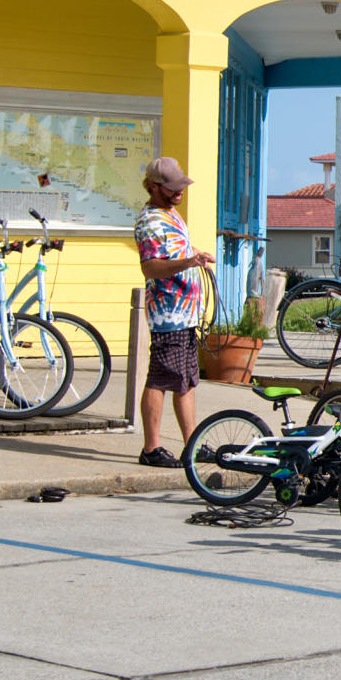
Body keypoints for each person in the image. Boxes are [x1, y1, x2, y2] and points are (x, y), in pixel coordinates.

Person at [133, 156, 214, 467]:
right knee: (161, 379)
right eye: (173, 188)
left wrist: (195, 254)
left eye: (181, 186)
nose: (180, 192)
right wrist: (187, 263)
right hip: (168, 314)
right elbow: (151, 267)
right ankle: (151, 449)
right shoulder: (150, 222)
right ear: (154, 187)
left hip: (184, 314)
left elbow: (175, 251)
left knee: (187, 380)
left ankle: (191, 444)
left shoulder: (170, 213)